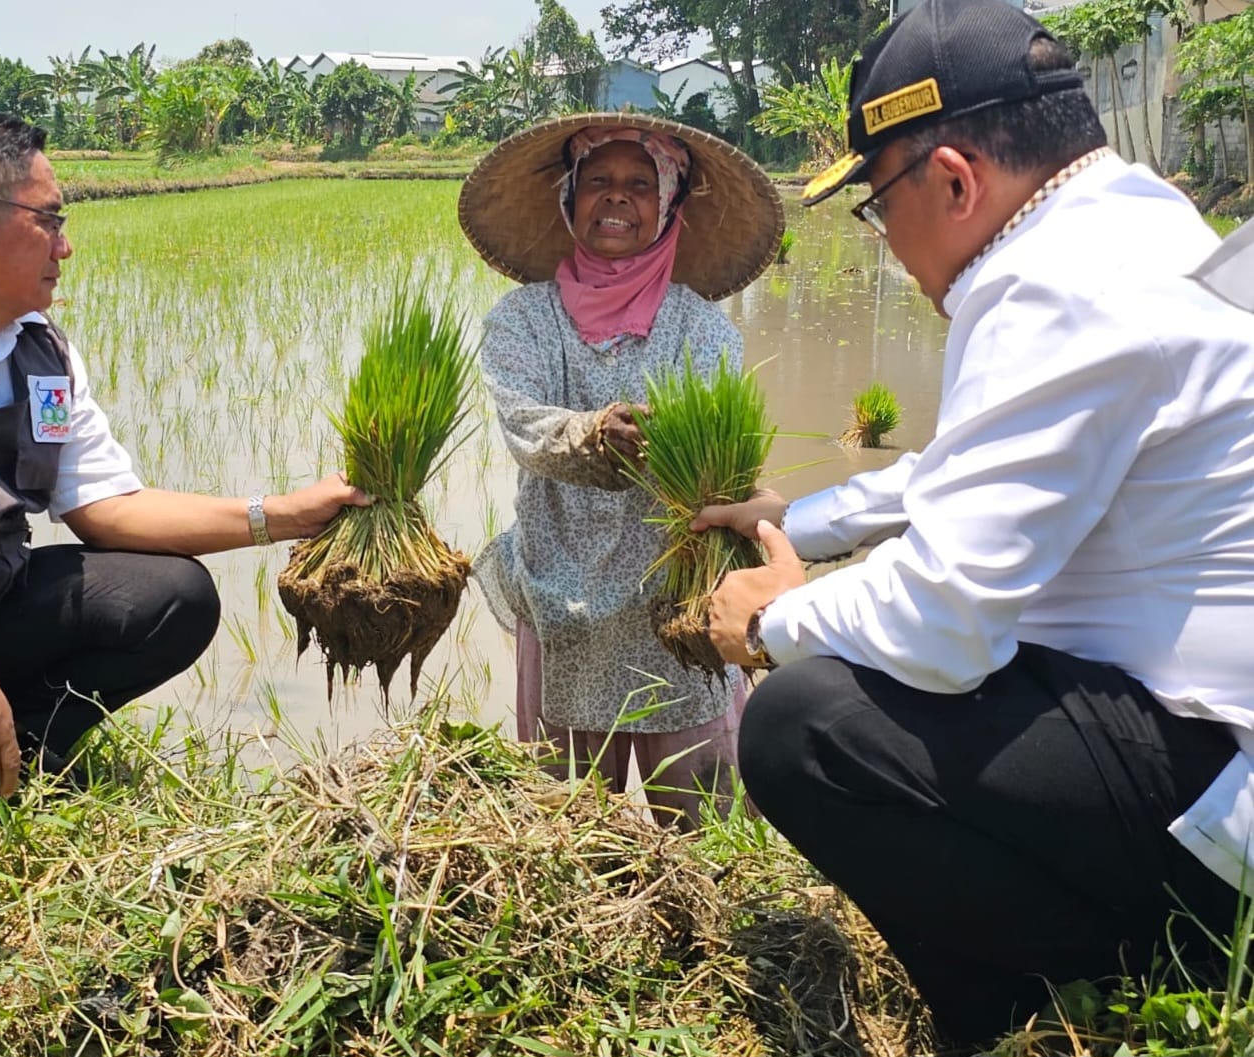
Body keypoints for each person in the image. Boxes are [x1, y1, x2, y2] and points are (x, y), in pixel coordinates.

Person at [691, 0, 1254, 1046]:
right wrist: (797, 520)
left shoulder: (1051, 285)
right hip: (1202, 743)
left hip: (1213, 801)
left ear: (951, 178)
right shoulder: (1133, 223)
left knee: (807, 726)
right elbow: (967, 470)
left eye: (876, 201)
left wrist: (772, 620)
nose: (886, 239)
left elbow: (944, 619)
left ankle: (1066, 987)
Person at [0, 107, 367, 893]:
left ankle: (10, 758)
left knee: (170, 596)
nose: (66, 244)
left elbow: (109, 507)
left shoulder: (40, 349)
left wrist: (281, 514)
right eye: (48, 220)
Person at [458, 113, 785, 830]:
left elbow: (719, 461)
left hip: (674, 605)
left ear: (668, 205)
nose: (616, 198)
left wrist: (703, 461)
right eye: (597, 181)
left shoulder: (700, 327)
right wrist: (590, 432)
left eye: (640, 184)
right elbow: (522, 425)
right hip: (562, 593)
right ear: (568, 197)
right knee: (572, 834)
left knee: (701, 824)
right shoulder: (523, 319)